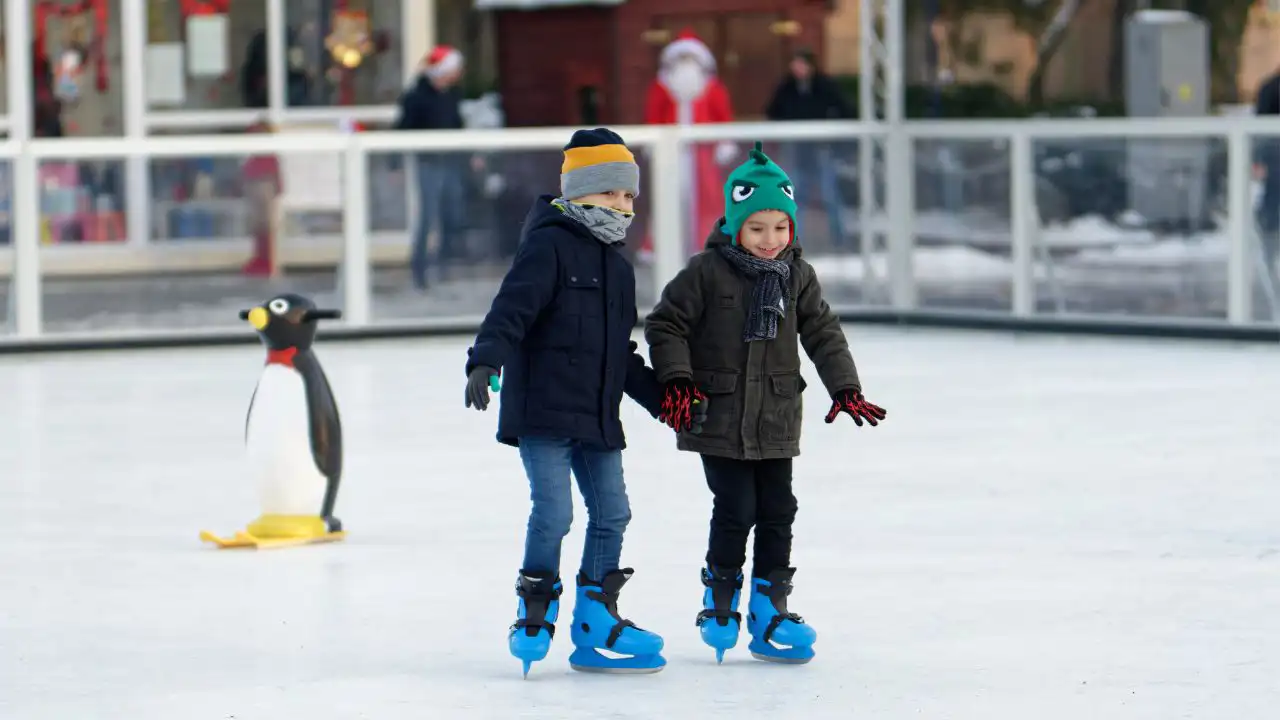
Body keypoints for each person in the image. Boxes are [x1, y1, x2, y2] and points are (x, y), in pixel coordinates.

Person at [644, 142, 887, 664]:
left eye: (780, 227)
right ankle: (721, 597)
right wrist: (679, 382)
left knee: (779, 508)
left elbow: (823, 331)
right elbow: (665, 324)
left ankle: (769, 605)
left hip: (776, 413)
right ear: (734, 225)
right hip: (718, 413)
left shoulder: (797, 276)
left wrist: (844, 387)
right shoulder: (706, 271)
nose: (770, 240)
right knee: (736, 508)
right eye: (757, 228)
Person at [463, 128, 683, 677]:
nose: (623, 207)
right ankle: (535, 607)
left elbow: (619, 352)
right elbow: (511, 310)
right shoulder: (549, 245)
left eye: (629, 196)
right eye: (611, 194)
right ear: (580, 191)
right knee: (555, 512)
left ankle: (596, 617)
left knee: (614, 512)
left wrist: (663, 400)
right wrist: (484, 360)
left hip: (596, 415)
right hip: (543, 411)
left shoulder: (618, 267)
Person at [644, 29, 737, 256]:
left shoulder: (712, 87)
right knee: (667, 196)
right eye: (682, 59)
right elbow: (653, 116)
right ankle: (661, 245)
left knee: (707, 197)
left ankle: (708, 242)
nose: (686, 64)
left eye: (691, 59)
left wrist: (725, 142)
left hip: (702, 152)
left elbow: (723, 116)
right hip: (671, 152)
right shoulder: (661, 87)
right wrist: (652, 142)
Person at [765, 48, 851, 250]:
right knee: (795, 195)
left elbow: (844, 109)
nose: (797, 68)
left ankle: (839, 237)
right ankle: (795, 238)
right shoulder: (786, 87)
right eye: (795, 64)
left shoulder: (824, 85)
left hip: (821, 149)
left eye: (801, 64)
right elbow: (772, 111)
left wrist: (832, 133)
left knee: (830, 194)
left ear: (810, 66)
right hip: (796, 149)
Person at [395, 45, 466, 290]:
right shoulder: (416, 97)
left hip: (451, 162)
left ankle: (444, 265)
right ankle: (420, 268)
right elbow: (403, 128)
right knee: (428, 216)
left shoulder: (452, 95)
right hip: (428, 163)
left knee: (452, 213)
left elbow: (458, 125)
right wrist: (395, 163)